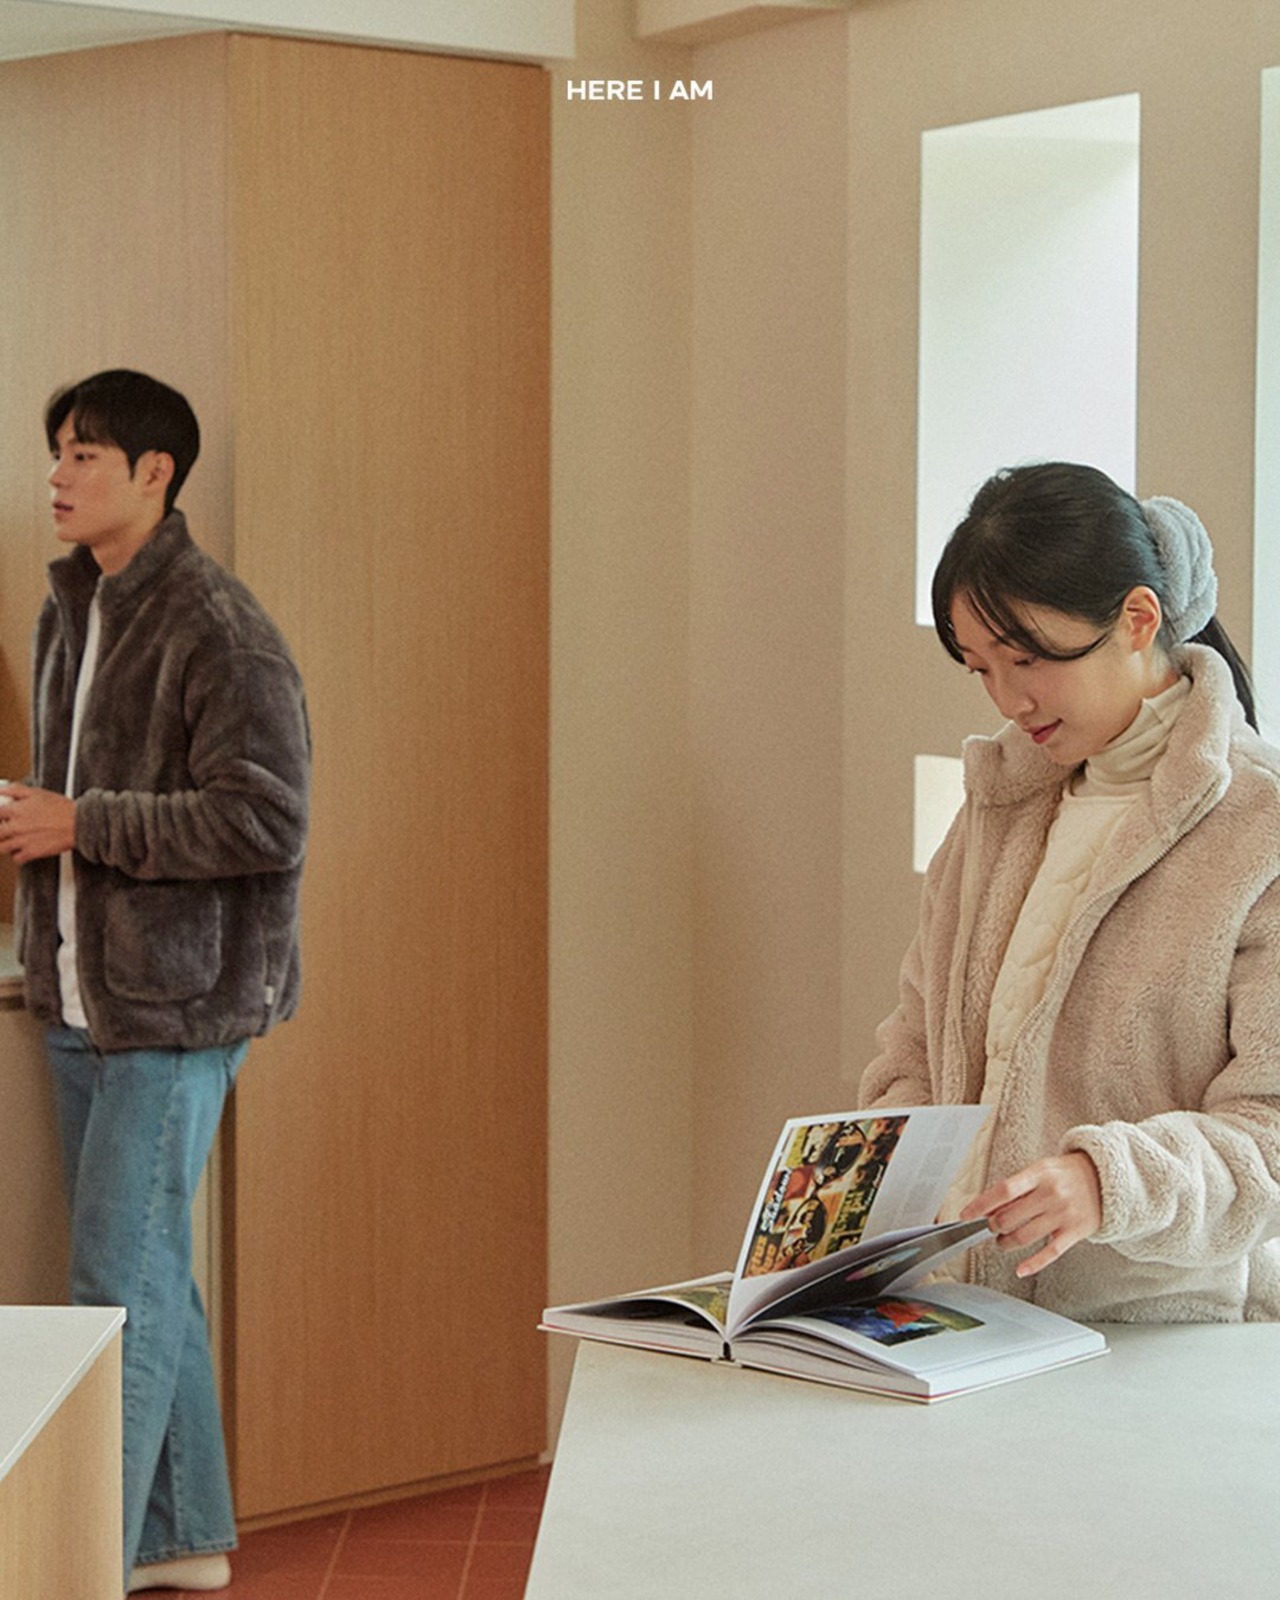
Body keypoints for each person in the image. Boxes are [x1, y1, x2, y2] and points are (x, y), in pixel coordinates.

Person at [0, 369, 310, 1593]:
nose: (59, 474)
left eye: (85, 454)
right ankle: (184, 1536)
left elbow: (266, 820)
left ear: (155, 474)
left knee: (109, 1297)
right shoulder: (68, 611)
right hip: (83, 1000)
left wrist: (81, 822)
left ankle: (78, 1568)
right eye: (59, 452)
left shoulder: (218, 626)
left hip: (176, 1013)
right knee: (146, 1280)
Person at [861, 460, 1280, 1322]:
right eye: (980, 667)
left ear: (1137, 619)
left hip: (1157, 1345)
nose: (1009, 699)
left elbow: (1270, 1139)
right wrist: (884, 1182)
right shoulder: (995, 810)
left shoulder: (1257, 828)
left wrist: (1107, 1181)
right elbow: (914, 1049)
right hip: (960, 1322)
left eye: (1027, 659)